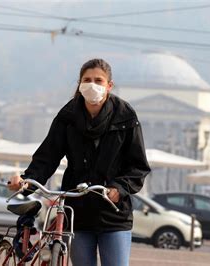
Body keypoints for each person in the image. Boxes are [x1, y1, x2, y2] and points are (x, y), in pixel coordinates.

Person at [8, 58, 151, 266]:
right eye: (87, 80)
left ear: (109, 86)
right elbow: (47, 156)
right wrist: (27, 181)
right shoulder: (68, 116)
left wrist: (119, 189)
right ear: (80, 84)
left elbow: (138, 166)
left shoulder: (125, 116)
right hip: (77, 212)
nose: (92, 85)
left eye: (99, 80)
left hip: (114, 214)